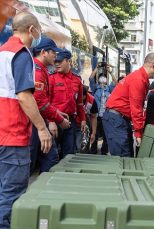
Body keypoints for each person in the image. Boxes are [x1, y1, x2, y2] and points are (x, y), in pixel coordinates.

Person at [0, 12, 52, 229]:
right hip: (13, 135)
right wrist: (42, 128)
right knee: (12, 195)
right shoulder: (21, 54)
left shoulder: (3, 52)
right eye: (38, 29)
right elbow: (24, 96)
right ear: (32, 30)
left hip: (2, 133)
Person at [102, 53, 154, 157]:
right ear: (153, 65)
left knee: (128, 155)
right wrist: (138, 133)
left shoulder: (141, 78)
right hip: (115, 119)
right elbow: (136, 108)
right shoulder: (138, 79)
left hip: (120, 119)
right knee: (122, 157)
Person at [30, 36, 71, 173]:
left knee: (50, 157)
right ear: (44, 53)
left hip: (38, 122)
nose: (55, 56)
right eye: (53, 52)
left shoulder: (41, 70)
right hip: (33, 124)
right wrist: (59, 119)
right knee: (30, 163)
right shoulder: (37, 71)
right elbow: (39, 102)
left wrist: (56, 113)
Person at [49, 49, 86, 157]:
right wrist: (51, 121)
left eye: (59, 61)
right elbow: (46, 102)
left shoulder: (77, 80)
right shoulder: (51, 78)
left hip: (71, 121)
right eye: (55, 61)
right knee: (51, 155)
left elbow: (79, 103)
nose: (56, 64)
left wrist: (83, 119)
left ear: (68, 61)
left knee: (69, 154)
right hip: (55, 120)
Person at [89, 64, 117, 154]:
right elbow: (91, 78)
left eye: (104, 78)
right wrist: (97, 68)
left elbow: (115, 82)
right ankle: (93, 151)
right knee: (95, 133)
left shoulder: (109, 89)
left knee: (106, 135)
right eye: (101, 77)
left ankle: (104, 151)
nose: (103, 79)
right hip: (96, 116)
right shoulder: (95, 88)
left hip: (106, 116)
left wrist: (110, 71)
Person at [75, 85, 98, 153]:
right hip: (71, 122)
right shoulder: (72, 98)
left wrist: (93, 133)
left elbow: (93, 117)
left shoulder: (92, 100)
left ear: (85, 95)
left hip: (84, 125)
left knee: (82, 147)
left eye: (81, 97)